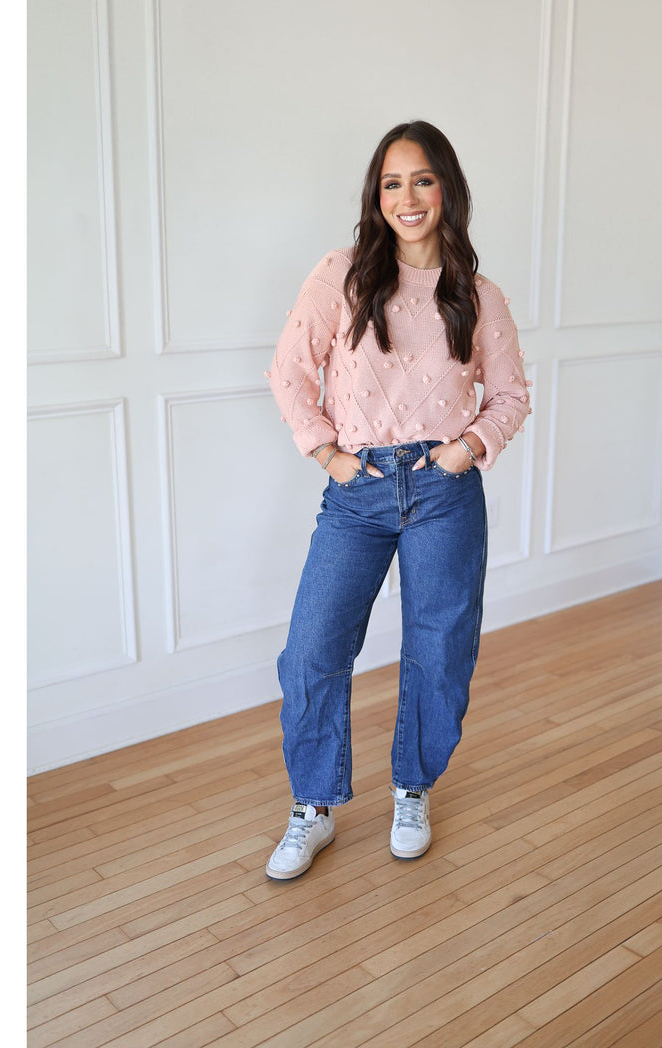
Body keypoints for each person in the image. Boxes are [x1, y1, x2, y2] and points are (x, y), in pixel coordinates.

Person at [264, 120, 531, 880]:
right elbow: (288, 372)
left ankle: (411, 789)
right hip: (360, 491)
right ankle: (313, 807)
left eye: (421, 180)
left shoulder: (478, 295)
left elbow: (509, 394)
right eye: (391, 182)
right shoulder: (341, 275)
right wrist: (330, 456)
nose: (406, 197)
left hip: (445, 491)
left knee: (439, 650)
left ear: (447, 189)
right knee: (312, 650)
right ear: (375, 195)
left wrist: (464, 450)